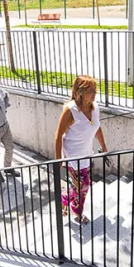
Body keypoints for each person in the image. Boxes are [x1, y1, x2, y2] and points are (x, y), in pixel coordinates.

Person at [54, 75, 108, 225]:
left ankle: (64, 198)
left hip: (86, 154)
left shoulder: (95, 107)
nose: (94, 92)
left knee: (79, 186)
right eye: (90, 90)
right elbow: (58, 136)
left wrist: (103, 147)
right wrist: (59, 159)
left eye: (95, 89)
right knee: (83, 186)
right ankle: (77, 212)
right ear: (80, 91)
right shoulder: (70, 111)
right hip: (73, 156)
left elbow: (97, 127)